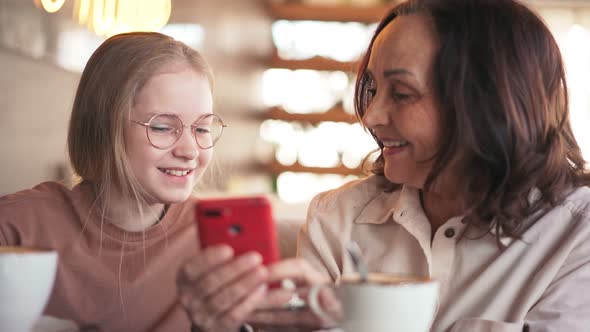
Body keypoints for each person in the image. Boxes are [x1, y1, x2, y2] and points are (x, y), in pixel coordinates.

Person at [180, 0, 590, 331]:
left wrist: (354, 320)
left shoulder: (576, 236)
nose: (371, 115)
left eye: (403, 93)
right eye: (373, 89)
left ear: (490, 104)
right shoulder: (337, 218)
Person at [0, 31, 228, 331]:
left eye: (202, 129)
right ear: (103, 128)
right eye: (161, 127)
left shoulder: (216, 239)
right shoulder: (16, 226)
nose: (189, 150)